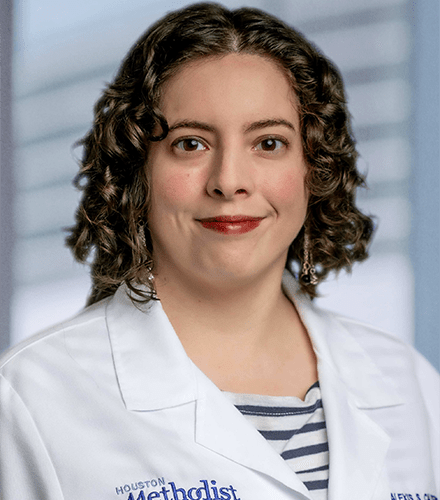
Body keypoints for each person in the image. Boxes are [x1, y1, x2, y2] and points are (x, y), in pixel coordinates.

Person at [0, 3, 438, 499]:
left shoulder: (409, 383)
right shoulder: (31, 397)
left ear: (314, 169)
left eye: (269, 143)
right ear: (136, 172)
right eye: (191, 144)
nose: (229, 182)